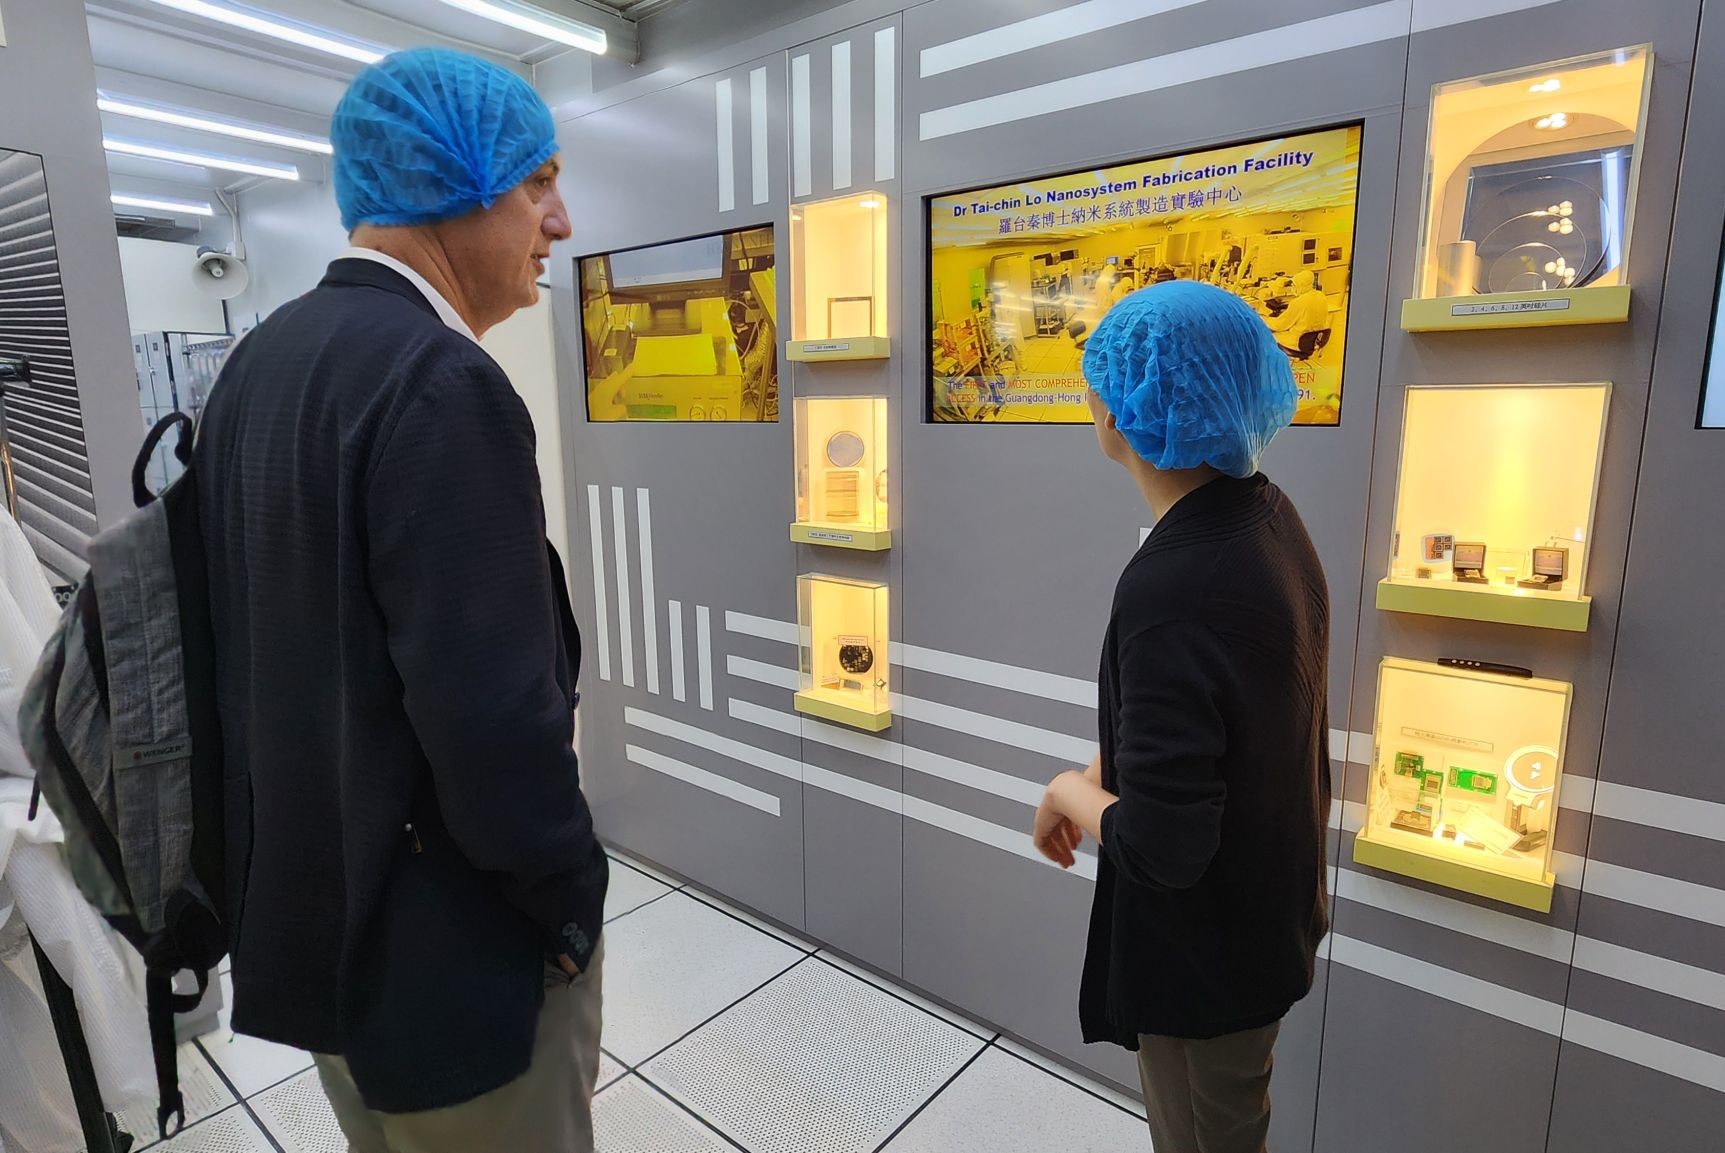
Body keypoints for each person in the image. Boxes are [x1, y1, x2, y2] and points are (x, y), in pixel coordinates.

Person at [195, 49, 609, 1152]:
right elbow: (492, 719)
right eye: (538, 183)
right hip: (449, 955)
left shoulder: (266, 358)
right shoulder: (442, 381)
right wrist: (567, 895)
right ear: (455, 180)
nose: (558, 223)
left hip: (321, 919)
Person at [1031, 281, 1330, 1153]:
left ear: (1118, 416)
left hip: (1208, 966)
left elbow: (1164, 847)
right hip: (1262, 916)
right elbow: (1221, 723)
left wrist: (1062, 787)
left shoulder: (1171, 586)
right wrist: (1098, 776)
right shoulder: (1264, 517)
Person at [1269, 269, 1333, 360]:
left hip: (1298, 342)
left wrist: (1262, 318)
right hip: (1313, 341)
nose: (1292, 288)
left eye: (1294, 285)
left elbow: (1280, 325)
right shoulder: (1321, 296)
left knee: (1267, 334)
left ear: (1301, 285)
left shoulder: (1298, 302)